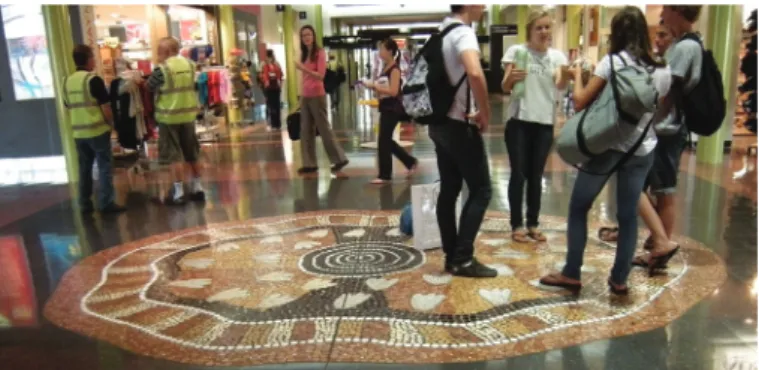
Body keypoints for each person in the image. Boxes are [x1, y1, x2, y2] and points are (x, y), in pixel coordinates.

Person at [540, 6, 679, 295]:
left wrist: (577, 74)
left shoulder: (612, 63)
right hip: (642, 148)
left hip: (607, 147)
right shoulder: (662, 68)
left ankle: (571, 273)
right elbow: (658, 109)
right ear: (644, 32)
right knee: (628, 216)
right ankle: (619, 279)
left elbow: (579, 102)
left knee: (579, 206)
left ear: (616, 34)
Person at [430, 5, 496, 278]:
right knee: (481, 189)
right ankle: (463, 258)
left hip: (438, 123)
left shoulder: (440, 31)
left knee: (450, 187)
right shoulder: (463, 33)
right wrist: (485, 112)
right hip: (459, 123)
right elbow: (475, 72)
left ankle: (451, 254)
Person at [501, 10, 571, 243]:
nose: (544, 32)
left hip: (544, 123)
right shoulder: (518, 52)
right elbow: (504, 86)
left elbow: (560, 85)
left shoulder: (557, 57)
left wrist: (569, 75)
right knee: (518, 174)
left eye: (547, 28)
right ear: (529, 30)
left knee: (536, 175)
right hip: (519, 121)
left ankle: (533, 223)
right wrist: (512, 78)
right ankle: (516, 225)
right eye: (539, 28)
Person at [65, 45, 126, 214]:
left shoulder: (67, 81)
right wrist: (112, 125)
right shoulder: (93, 80)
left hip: (78, 133)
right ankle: (106, 202)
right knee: (104, 166)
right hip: (97, 131)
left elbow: (68, 106)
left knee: (84, 168)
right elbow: (106, 107)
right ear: (89, 59)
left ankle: (84, 203)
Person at [147, 37, 204, 205]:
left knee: (174, 157)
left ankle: (178, 193)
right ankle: (197, 188)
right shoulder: (191, 65)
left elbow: (149, 86)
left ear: (166, 51)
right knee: (192, 153)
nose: (158, 55)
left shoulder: (162, 70)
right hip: (188, 116)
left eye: (159, 51)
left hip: (169, 117)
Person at [296, 25, 349, 175]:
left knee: (324, 129)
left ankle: (339, 159)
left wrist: (302, 68)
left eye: (309, 35)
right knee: (305, 130)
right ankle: (309, 163)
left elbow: (321, 75)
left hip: (317, 95)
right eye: (304, 35)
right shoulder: (303, 54)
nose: (306, 37)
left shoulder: (319, 53)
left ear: (313, 36)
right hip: (305, 95)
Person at [365, 38, 418, 185]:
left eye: (382, 49)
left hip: (392, 108)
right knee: (386, 140)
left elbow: (394, 91)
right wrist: (375, 89)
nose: (380, 52)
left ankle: (385, 175)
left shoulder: (394, 69)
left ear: (389, 51)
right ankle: (410, 162)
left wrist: (377, 88)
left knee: (383, 141)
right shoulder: (384, 68)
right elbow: (384, 89)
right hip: (385, 106)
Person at [261, 49, 283, 131]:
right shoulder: (264, 65)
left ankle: (277, 123)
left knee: (276, 105)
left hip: (275, 87)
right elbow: (262, 76)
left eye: (271, 56)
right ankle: (272, 123)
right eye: (269, 56)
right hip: (269, 88)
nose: (270, 58)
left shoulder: (276, 64)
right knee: (270, 105)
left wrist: (280, 83)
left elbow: (280, 74)